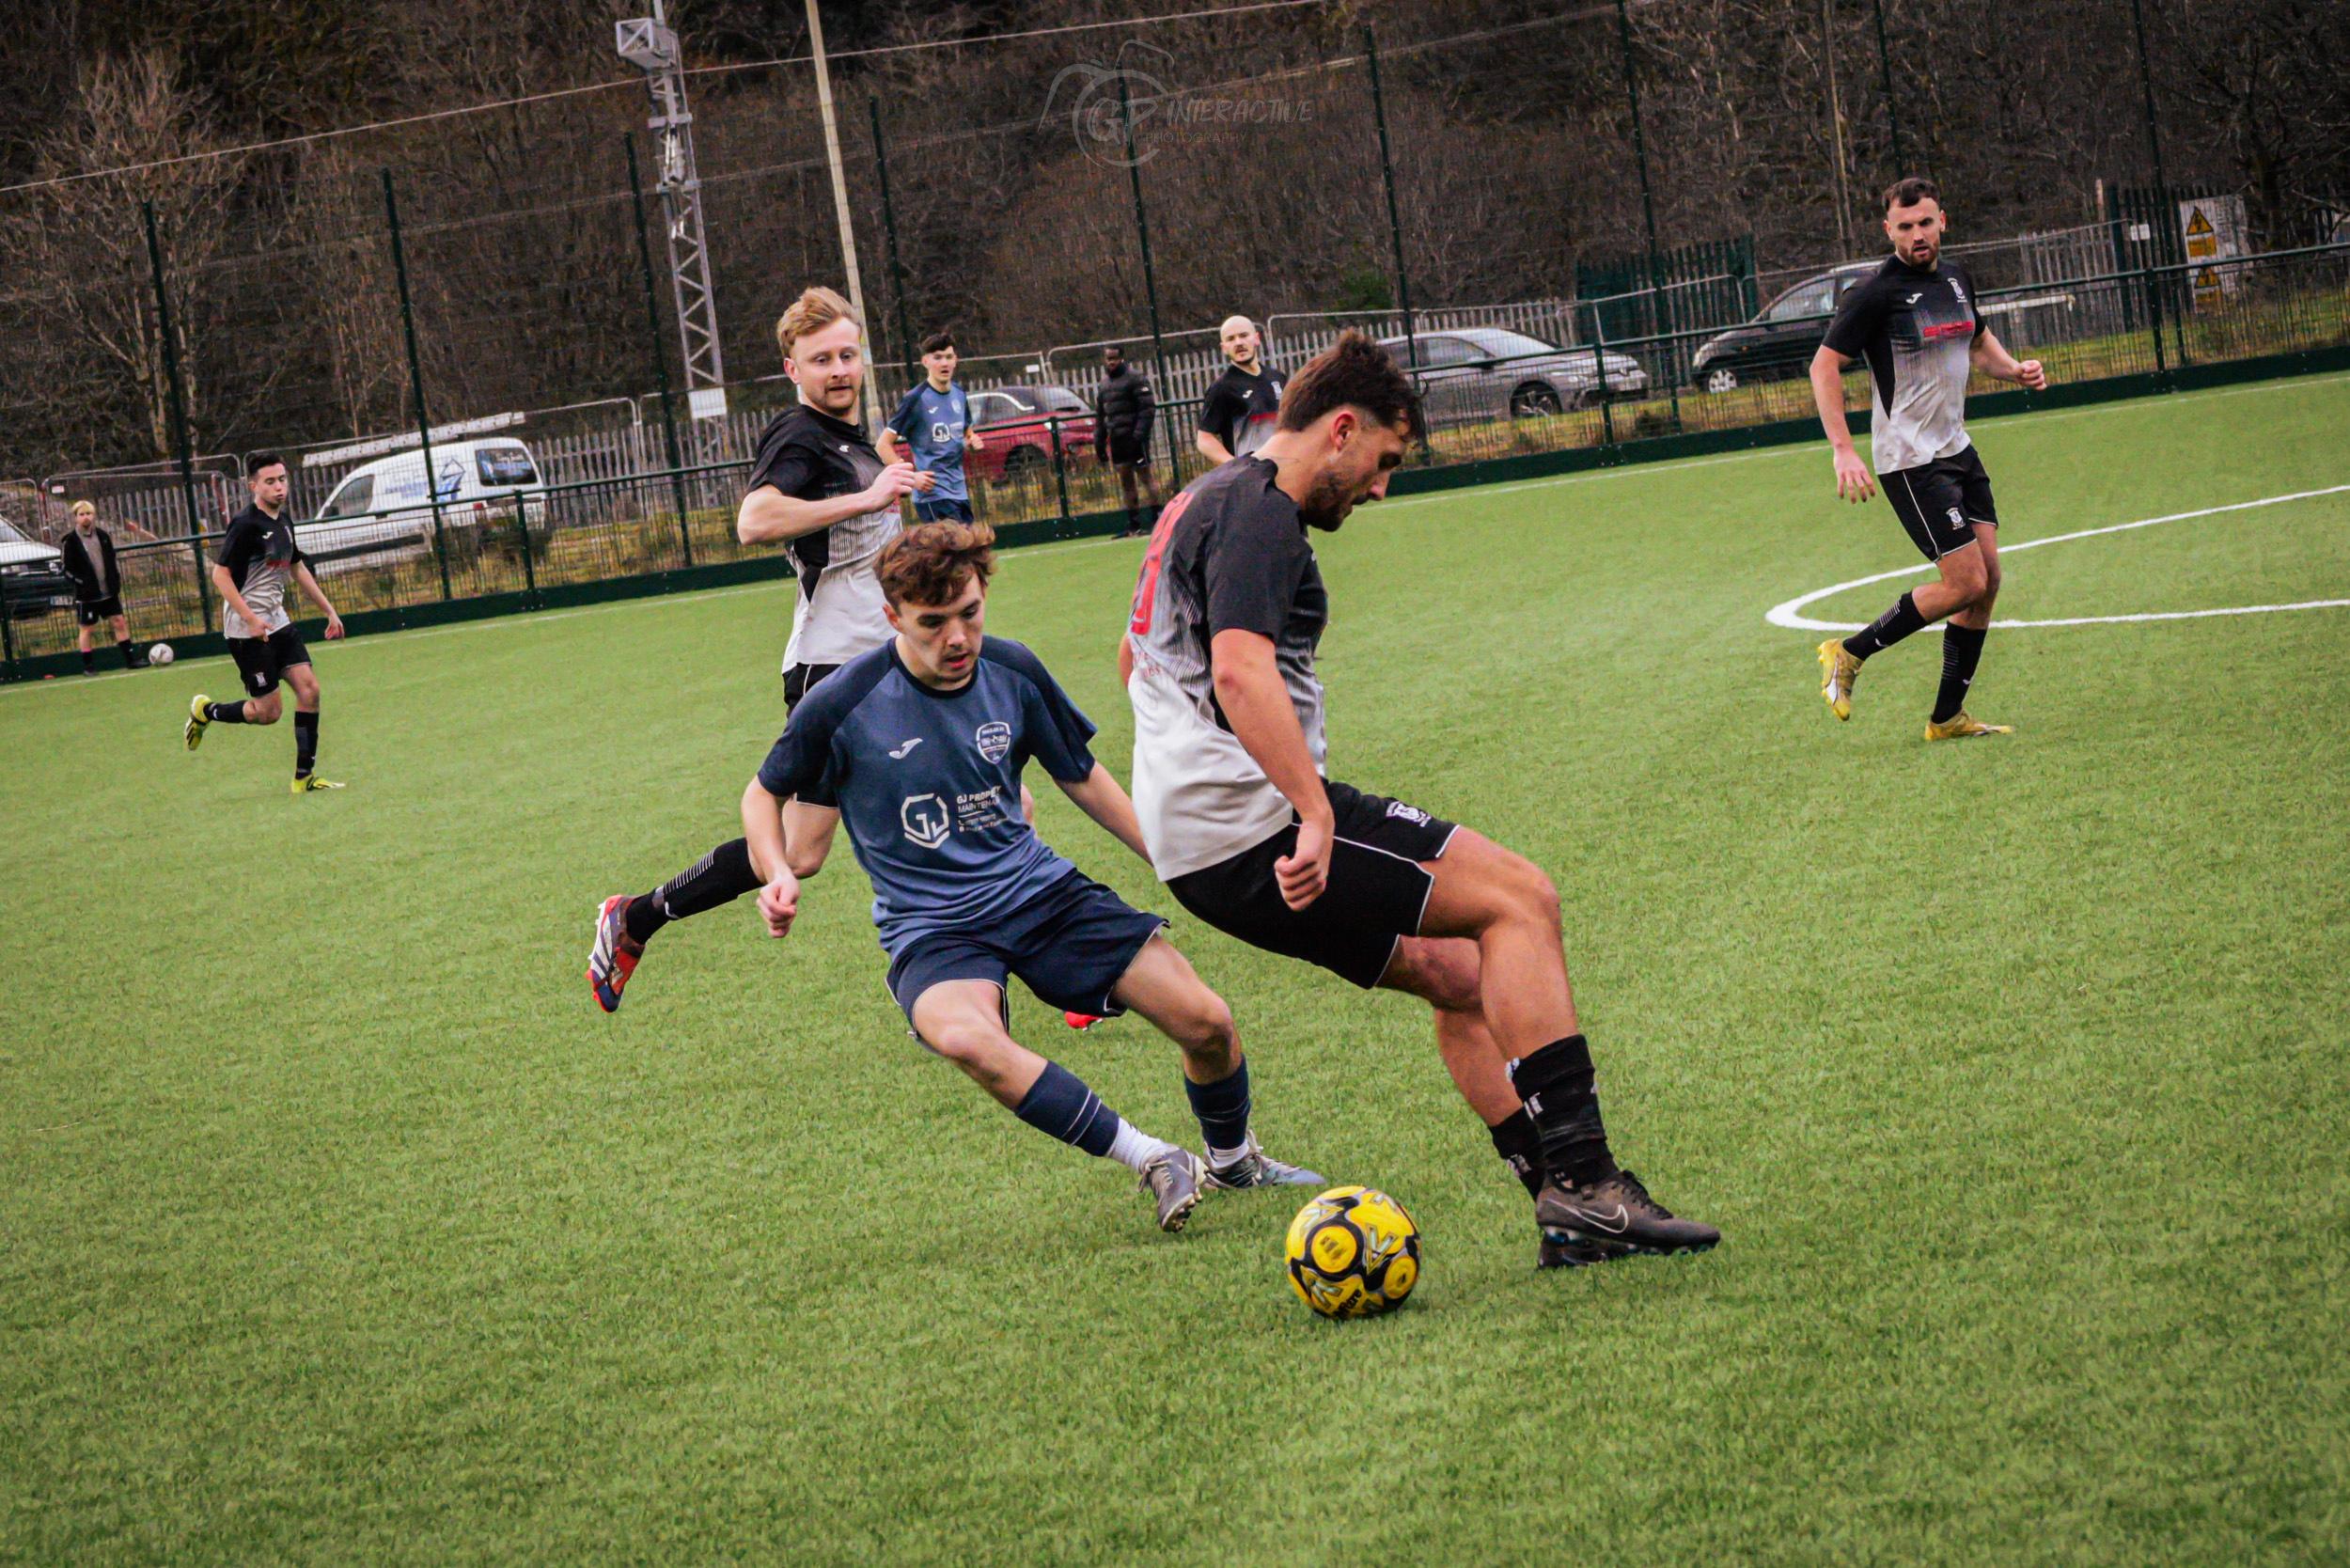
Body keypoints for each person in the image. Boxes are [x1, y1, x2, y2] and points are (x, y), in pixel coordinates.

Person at [1121, 332, 1719, 1268]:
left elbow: (1135, 662)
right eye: (1383, 463)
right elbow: (1238, 673)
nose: (1378, 488)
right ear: (1341, 429)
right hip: (1257, 827)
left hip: (1201, 846)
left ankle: (1561, 1207)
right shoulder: (1259, 511)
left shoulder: (1197, 500)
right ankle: (1590, 1182)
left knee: (1457, 974)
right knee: (1521, 898)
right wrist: (1312, 811)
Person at [745, 520, 1321, 1231]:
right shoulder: (841, 702)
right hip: (933, 929)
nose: (957, 638)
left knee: (1206, 1023)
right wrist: (776, 871)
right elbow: (760, 794)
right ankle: (1150, 1157)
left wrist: (1179, 860)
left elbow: (1082, 778)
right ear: (892, 617)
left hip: (1041, 895)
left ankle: (1234, 1159)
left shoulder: (1013, 671)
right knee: (966, 1040)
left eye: (969, 614)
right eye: (932, 623)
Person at [587, 286, 922, 1012]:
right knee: (835, 839)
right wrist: (868, 498)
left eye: (847, 354)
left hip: (888, 664)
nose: (838, 369)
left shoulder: (852, 438)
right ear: (791, 368)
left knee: (819, 848)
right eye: (820, 359)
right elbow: (754, 519)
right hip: (832, 672)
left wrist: (890, 474)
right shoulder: (797, 435)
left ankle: (636, 917)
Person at [1810, 176, 2049, 741]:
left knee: (1987, 583)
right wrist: (1843, 450)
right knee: (1964, 582)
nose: (1917, 235)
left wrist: (2014, 368)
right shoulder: (1873, 293)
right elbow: (1823, 368)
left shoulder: (1958, 278)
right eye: (1905, 226)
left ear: (1942, 219)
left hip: (1957, 448)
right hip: (1910, 459)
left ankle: (1946, 719)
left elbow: (1977, 342)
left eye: (1925, 222)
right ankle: (1848, 651)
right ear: (1887, 229)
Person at [182, 453, 347, 791]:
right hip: (247, 631)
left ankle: (304, 778)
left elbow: (297, 567)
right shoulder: (245, 525)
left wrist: (329, 610)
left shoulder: (284, 521)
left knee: (310, 691)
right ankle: (206, 712)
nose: (278, 486)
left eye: (282, 479)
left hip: (279, 622)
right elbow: (220, 575)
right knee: (268, 713)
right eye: (270, 481)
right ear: (253, 485)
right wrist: (250, 618)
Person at [879, 331, 985, 524]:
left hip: (959, 493)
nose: (944, 363)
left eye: (948, 357)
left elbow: (965, 435)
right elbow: (882, 445)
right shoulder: (915, 399)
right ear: (925, 362)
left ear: (955, 360)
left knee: (968, 551)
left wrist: (971, 444)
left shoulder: (959, 394)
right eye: (937, 358)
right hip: (933, 496)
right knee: (953, 551)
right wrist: (911, 478)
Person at [58, 500, 149, 674]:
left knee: (119, 622)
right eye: (81, 514)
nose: (86, 517)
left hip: (108, 592)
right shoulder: (70, 541)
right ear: (76, 518)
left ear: (93, 515)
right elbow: (66, 569)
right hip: (87, 595)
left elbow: (111, 560)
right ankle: (88, 666)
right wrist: (82, 584)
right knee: (87, 628)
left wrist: (115, 580)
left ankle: (131, 660)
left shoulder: (103, 536)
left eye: (88, 514)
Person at [1194, 315, 1287, 467]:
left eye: (1244, 336)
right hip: (1253, 479)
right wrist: (1237, 466)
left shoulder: (1278, 378)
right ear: (1224, 348)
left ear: (1256, 339)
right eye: (1230, 339)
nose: (1239, 343)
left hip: (1285, 468)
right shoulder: (1223, 388)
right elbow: (1204, 439)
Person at [1093, 344, 1162, 538]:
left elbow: (1147, 409)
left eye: (1114, 358)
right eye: (1108, 358)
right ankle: (1134, 524)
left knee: (1146, 478)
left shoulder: (1136, 379)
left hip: (1135, 439)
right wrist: (1099, 442)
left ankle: (1158, 520)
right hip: (1117, 440)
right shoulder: (1104, 384)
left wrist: (1138, 435)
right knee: (1126, 481)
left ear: (1122, 358)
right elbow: (1100, 416)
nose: (1111, 362)